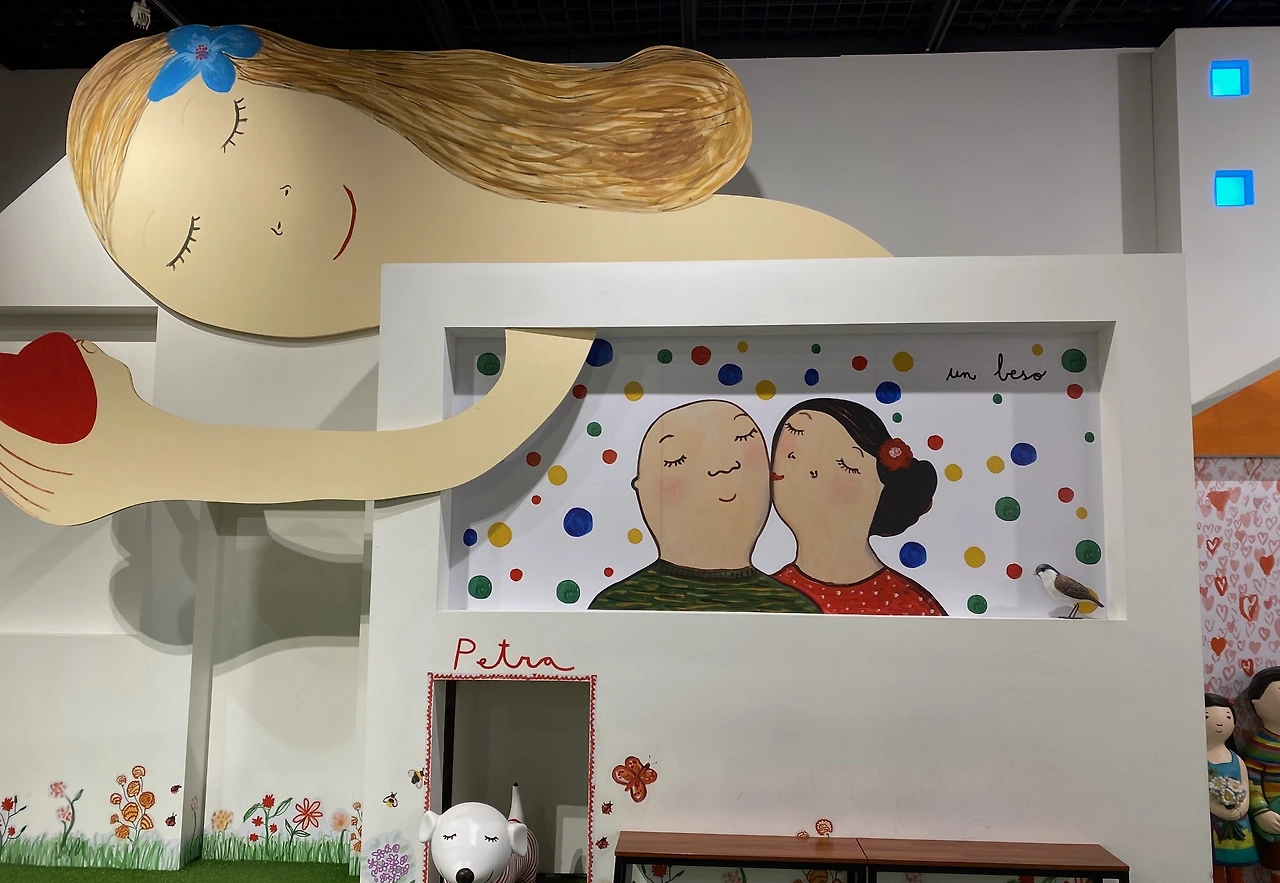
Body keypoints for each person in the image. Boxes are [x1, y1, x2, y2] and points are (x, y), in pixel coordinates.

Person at [0, 25, 889, 526]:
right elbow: (438, 450)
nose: (276, 212)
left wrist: (165, 456)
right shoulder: (535, 295)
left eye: (238, 135)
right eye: (192, 244)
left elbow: (447, 449)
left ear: (329, 88)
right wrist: (159, 456)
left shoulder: (556, 271)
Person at [590, 400, 818, 612]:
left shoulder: (795, 609)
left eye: (743, 438)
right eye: (676, 459)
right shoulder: (615, 607)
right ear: (640, 489)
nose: (723, 467)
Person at [769, 398, 945, 615]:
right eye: (792, 455)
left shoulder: (913, 607)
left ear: (885, 486)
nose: (812, 472)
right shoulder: (766, 599)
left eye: (845, 465)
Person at [1206, 692, 1262, 883]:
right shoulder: (1199, 759)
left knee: (1236, 856)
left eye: (1227, 717)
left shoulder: (1236, 759)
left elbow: (1246, 786)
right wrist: (1217, 809)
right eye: (1208, 717)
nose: (1220, 723)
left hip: (1239, 818)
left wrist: (1242, 807)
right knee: (1217, 856)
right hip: (1213, 820)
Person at [1244, 667, 1280, 883]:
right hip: (1274, 812)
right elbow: (1252, 781)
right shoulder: (1261, 745)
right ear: (1257, 703)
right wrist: (1261, 811)